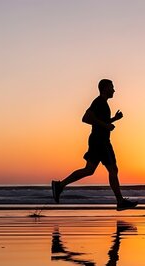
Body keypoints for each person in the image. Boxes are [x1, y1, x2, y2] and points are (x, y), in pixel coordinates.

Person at [51, 79, 137, 211]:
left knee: (90, 170)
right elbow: (85, 118)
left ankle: (60, 185)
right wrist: (106, 125)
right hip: (100, 141)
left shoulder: (103, 104)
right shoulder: (99, 102)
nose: (114, 90)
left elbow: (99, 121)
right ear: (105, 89)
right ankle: (120, 201)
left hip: (99, 140)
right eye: (112, 87)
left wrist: (113, 119)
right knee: (112, 170)